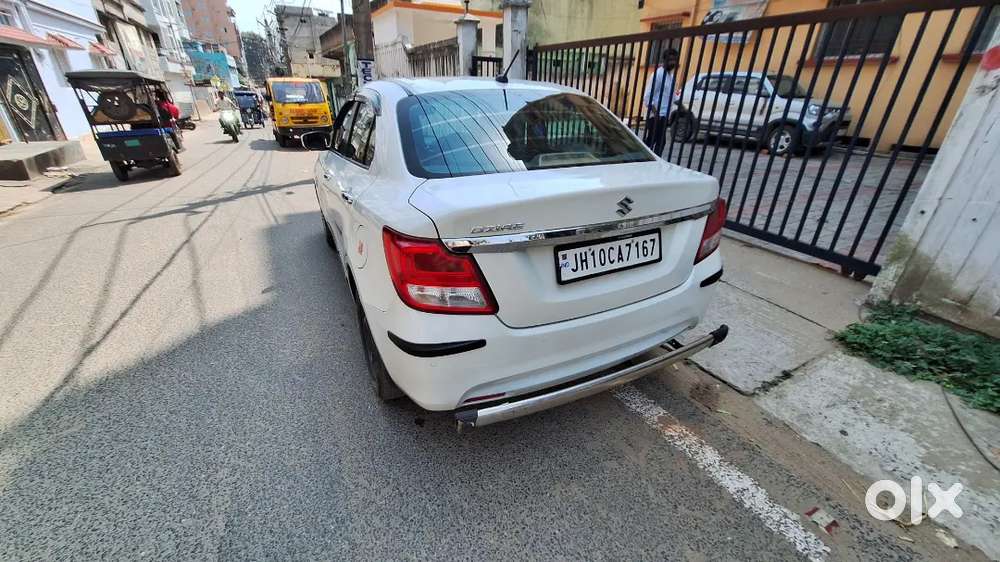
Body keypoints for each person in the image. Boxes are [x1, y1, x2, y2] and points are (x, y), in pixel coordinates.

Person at [642, 47, 680, 156]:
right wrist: (656, 113)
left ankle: (644, 159)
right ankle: (647, 161)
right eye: (670, 60)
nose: (673, 63)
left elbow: (672, 96)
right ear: (664, 60)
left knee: (654, 141)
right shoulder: (658, 75)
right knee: (657, 141)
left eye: (674, 60)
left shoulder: (670, 76)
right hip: (655, 116)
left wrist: (682, 107)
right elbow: (648, 96)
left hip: (664, 115)